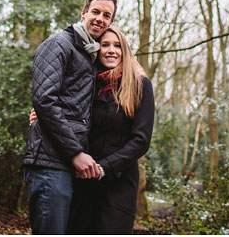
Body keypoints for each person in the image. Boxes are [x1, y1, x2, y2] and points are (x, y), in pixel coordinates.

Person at [31, 26, 155, 233]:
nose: (111, 50)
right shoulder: (89, 84)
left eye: (117, 46)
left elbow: (141, 141)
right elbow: (64, 110)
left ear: (125, 51)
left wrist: (104, 167)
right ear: (97, 50)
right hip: (83, 180)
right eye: (105, 45)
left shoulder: (140, 85)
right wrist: (40, 116)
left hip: (119, 181)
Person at [22, 0, 117, 234]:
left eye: (107, 16)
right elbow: (44, 101)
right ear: (83, 12)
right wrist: (76, 152)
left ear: (111, 22)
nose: (100, 18)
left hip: (70, 168)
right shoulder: (59, 45)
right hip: (49, 163)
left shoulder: (91, 56)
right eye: (95, 12)